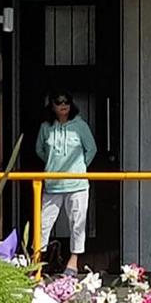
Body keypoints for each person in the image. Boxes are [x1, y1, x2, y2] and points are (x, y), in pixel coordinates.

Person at [35, 91, 97, 276]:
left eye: (67, 102)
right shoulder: (46, 127)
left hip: (77, 184)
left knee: (77, 223)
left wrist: (79, 167)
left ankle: (73, 261)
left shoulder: (80, 126)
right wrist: (52, 165)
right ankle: (37, 261)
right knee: (43, 223)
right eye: (58, 102)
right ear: (52, 105)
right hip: (53, 183)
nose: (63, 105)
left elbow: (91, 149)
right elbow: (39, 149)